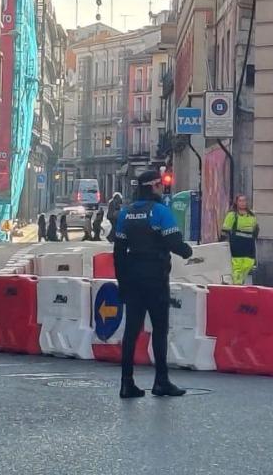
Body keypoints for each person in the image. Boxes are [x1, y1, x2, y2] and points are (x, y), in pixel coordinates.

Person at [111, 169, 192, 399]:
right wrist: (188, 251)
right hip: (156, 279)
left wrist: (122, 283)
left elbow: (118, 252)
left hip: (132, 280)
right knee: (159, 329)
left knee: (131, 331)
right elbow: (175, 243)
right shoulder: (160, 212)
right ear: (155, 186)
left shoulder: (125, 214)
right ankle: (161, 381)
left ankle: (127, 383)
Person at [220, 194, 259, 285]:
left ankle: (239, 281)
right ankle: (237, 285)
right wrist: (222, 243)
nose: (242, 203)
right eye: (240, 201)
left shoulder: (251, 215)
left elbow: (255, 229)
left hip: (249, 245)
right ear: (236, 203)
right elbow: (225, 230)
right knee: (237, 266)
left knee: (249, 263)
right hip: (236, 245)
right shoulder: (232, 215)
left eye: (244, 200)